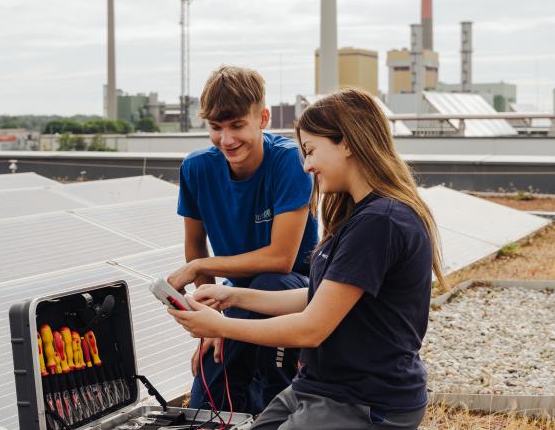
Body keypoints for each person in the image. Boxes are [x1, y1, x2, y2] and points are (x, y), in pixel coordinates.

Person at [169, 88, 448, 429]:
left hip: (365, 401)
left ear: (346, 143)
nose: (307, 165)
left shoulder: (381, 222)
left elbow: (312, 328)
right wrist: (233, 296)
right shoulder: (360, 215)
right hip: (322, 388)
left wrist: (221, 326)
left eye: (312, 151)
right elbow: (318, 298)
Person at [167, 65, 319, 415]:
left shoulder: (289, 162)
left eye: (237, 126)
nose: (226, 139)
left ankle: (279, 411)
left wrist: (201, 267)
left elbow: (281, 259)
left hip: (294, 290)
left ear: (263, 118)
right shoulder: (196, 169)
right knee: (214, 372)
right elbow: (195, 244)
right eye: (216, 128)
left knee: (268, 288)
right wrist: (210, 317)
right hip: (234, 297)